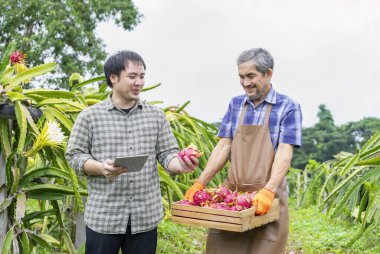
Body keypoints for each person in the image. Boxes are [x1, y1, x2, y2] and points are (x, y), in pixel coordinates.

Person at [66, 50, 198, 254]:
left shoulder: (156, 116)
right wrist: (101, 168)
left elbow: (167, 153)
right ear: (113, 78)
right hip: (104, 216)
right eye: (132, 76)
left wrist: (181, 164)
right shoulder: (90, 117)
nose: (139, 82)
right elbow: (74, 155)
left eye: (142, 76)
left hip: (144, 217)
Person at [185, 48, 302, 254]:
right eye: (241, 77)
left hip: (267, 198)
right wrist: (200, 182)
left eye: (251, 76)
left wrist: (269, 189)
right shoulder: (236, 104)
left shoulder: (287, 106)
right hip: (231, 197)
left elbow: (284, 151)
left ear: (268, 74)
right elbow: (224, 146)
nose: (245, 82)